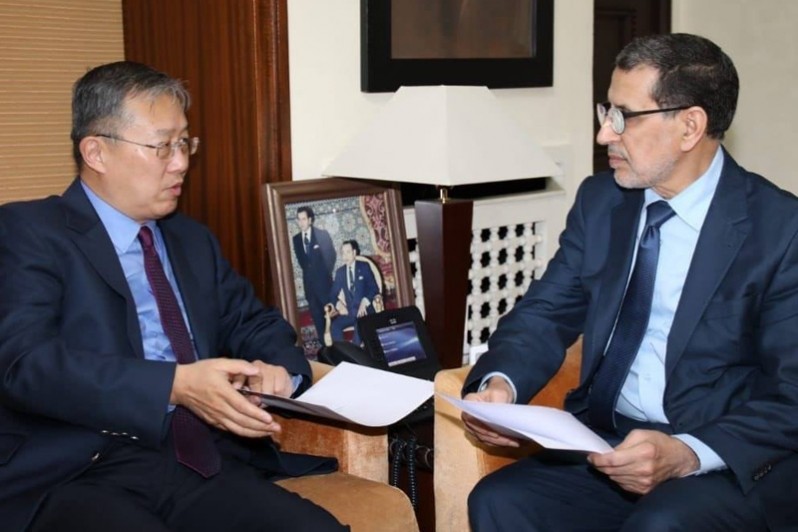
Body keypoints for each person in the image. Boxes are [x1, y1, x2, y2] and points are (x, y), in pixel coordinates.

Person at [462, 33, 798, 531]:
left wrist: (687, 453)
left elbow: (792, 392)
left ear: (690, 126)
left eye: (623, 117)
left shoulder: (781, 231)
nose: (604, 135)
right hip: (608, 442)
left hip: (721, 458)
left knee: (661, 523)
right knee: (499, 500)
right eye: (606, 111)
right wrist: (500, 384)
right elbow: (546, 312)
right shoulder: (602, 201)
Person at [0, 61, 348, 532]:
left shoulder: (190, 239)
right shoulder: (30, 231)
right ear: (96, 152)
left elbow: (255, 323)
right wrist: (173, 385)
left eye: (185, 143)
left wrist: (282, 373)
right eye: (162, 146)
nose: (181, 162)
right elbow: (25, 364)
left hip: (194, 459)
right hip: (80, 469)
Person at [292, 206, 336, 342]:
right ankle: (325, 347)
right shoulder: (296, 239)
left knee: (331, 320)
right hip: (310, 288)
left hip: (324, 286)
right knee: (318, 320)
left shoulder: (322, 235)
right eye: (299, 219)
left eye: (304, 219)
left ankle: (337, 346)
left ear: (310, 220)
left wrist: (323, 275)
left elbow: (331, 256)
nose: (301, 223)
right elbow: (302, 262)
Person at [326, 240, 380, 345]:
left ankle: (355, 353)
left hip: (365, 312)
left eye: (348, 252)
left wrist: (365, 302)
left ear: (354, 253)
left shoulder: (364, 267)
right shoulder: (340, 272)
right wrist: (338, 304)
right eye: (343, 253)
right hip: (350, 312)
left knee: (359, 329)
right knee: (335, 327)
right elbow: (332, 294)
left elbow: (374, 288)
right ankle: (343, 352)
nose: (345, 256)